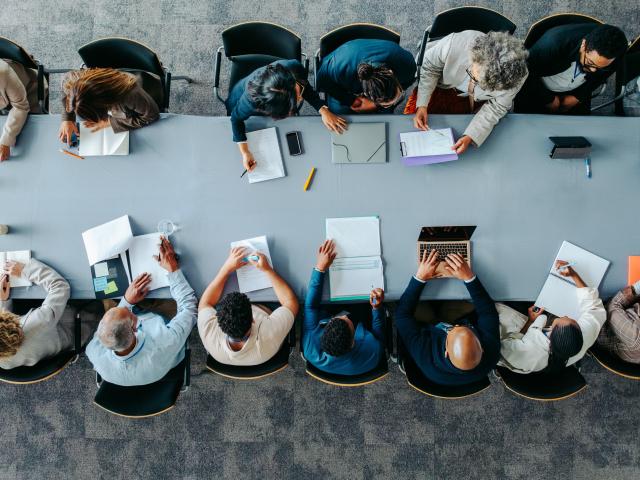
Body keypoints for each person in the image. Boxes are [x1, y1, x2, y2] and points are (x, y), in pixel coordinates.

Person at [86, 237, 196, 386]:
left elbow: (118, 318)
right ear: (135, 327)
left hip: (140, 360)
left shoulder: (94, 351)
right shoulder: (164, 342)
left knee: (107, 294)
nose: (129, 310)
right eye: (129, 313)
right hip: (162, 325)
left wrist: (126, 301)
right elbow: (189, 306)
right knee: (176, 297)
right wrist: (172, 269)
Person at [412, 31, 528, 154]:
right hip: (441, 84)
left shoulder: (516, 77)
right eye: (473, 73)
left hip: (476, 99)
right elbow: (429, 68)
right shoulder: (453, 45)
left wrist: (471, 136)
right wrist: (422, 104)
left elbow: (497, 107)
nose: (473, 78)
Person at [395, 250, 500, 385]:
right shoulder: (492, 354)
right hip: (453, 317)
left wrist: (420, 278)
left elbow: (402, 316)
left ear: (446, 352)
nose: (453, 326)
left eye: (450, 330)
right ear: (482, 348)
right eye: (463, 328)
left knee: (404, 304)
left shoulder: (426, 357)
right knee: (468, 304)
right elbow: (488, 313)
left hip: (429, 328)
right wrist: (469, 277)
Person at [226, 59, 346, 172]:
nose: (300, 98)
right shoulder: (250, 101)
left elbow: (306, 88)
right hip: (241, 100)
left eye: (298, 93)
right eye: (297, 98)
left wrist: (322, 109)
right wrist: (245, 152)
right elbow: (235, 119)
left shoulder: (295, 67)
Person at [498, 261, 606, 373]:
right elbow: (594, 307)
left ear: (550, 335)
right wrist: (573, 275)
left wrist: (530, 322)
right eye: (574, 321)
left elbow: (505, 345)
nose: (565, 315)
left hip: (517, 342)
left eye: (558, 320)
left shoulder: (527, 353)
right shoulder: (585, 334)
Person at [198, 247, 298, 366]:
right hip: (266, 308)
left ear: (219, 321)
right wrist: (267, 270)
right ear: (253, 319)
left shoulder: (209, 333)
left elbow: (205, 303)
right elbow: (291, 302)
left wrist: (226, 269)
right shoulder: (269, 333)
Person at [302, 240, 386, 375]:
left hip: (327, 311)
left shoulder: (311, 347)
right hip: (361, 317)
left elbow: (310, 306)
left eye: (336, 319)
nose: (344, 315)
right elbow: (379, 329)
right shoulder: (372, 351)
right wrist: (377, 307)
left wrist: (320, 268)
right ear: (353, 342)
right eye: (347, 321)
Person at [0, 258, 95, 368]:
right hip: (81, 322)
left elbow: (5, 335)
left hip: (47, 342)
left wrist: (3, 301)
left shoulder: (4, 362)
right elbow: (60, 286)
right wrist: (25, 270)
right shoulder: (37, 323)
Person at [515, 24, 628, 114]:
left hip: (579, 89)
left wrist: (578, 97)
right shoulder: (552, 44)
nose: (593, 70)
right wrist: (549, 100)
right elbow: (525, 71)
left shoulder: (616, 53)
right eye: (590, 63)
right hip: (537, 89)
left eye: (600, 67)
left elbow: (601, 75)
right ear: (584, 45)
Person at [58, 68, 160, 146]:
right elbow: (65, 87)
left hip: (146, 96)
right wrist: (67, 119)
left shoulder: (130, 95)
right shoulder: (73, 81)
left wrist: (110, 123)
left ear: (106, 106)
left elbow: (151, 115)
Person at [315, 39, 417, 115]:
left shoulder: (407, 65)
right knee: (340, 115)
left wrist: (375, 105)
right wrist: (350, 100)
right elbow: (322, 81)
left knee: (385, 118)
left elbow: (408, 81)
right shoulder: (337, 67)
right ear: (368, 93)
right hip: (342, 77)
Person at [0, 58, 47, 162]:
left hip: (29, 92)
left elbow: (21, 107)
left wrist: (5, 142)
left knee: (36, 146)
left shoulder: (2, 72)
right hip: (6, 104)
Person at [596, 280, 640, 364]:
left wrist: (636, 288)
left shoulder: (637, 336)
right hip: (627, 314)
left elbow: (613, 306)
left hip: (602, 324)